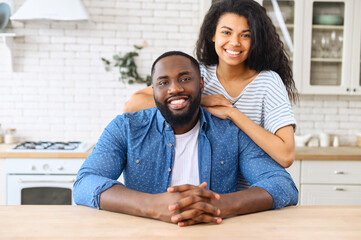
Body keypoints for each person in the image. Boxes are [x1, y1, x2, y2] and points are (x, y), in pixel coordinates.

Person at [73, 51, 298, 227]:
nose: (175, 89)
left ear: (200, 84)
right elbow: (85, 183)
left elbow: (283, 185)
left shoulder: (230, 132)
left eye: (185, 78)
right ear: (153, 91)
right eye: (163, 82)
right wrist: (151, 205)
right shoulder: (126, 128)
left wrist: (222, 204)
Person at [123, 0, 298, 172]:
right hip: (204, 187)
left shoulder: (268, 82)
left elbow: (285, 156)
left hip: (252, 192)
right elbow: (133, 105)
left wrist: (232, 113)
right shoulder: (197, 74)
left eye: (246, 35)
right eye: (226, 32)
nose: (235, 42)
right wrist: (201, 100)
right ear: (213, 35)